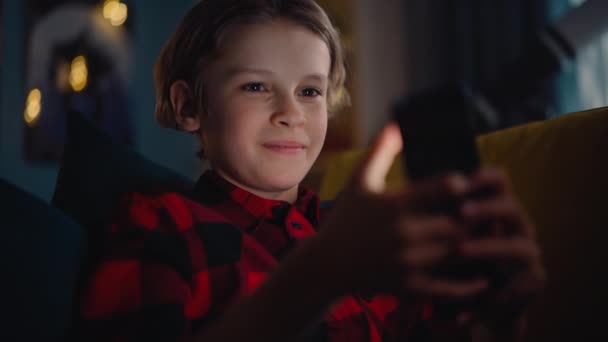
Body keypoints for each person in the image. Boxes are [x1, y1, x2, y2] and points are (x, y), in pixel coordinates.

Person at [76, 1, 545, 341]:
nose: (291, 113)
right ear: (188, 106)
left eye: (310, 91)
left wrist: (500, 323)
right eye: (257, 86)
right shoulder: (162, 222)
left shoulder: (371, 233)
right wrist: (322, 273)